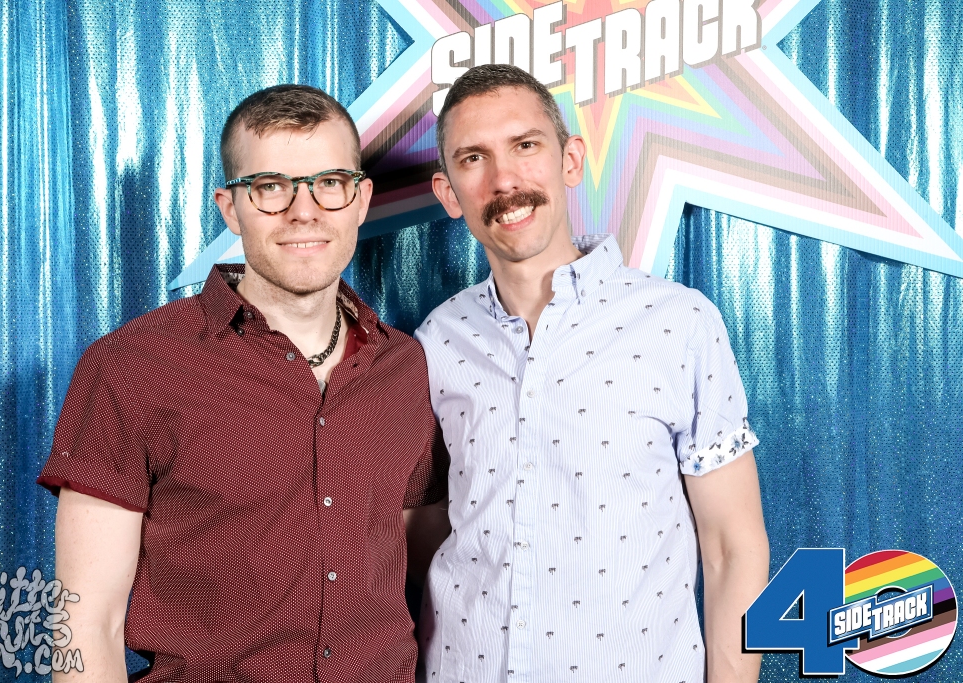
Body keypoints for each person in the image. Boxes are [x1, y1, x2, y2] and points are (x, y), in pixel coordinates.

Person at [38, 84, 449, 683]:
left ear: (360, 199)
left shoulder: (404, 367)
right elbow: (85, 623)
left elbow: (433, 555)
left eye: (329, 183)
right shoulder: (132, 366)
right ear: (231, 207)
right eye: (271, 187)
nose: (304, 211)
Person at [414, 64, 770, 682]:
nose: (504, 179)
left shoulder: (679, 322)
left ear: (571, 160)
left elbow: (732, 548)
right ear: (448, 193)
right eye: (474, 158)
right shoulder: (436, 339)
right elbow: (420, 534)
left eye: (526, 145)